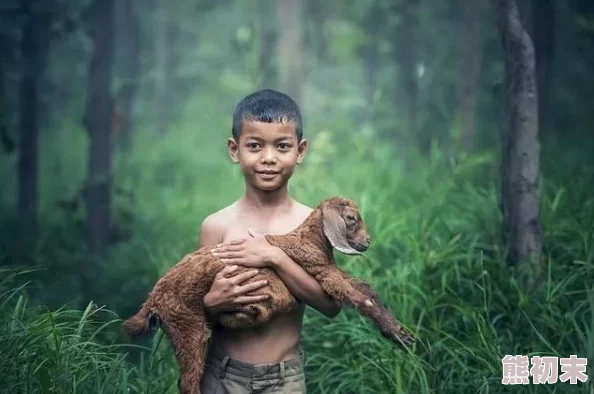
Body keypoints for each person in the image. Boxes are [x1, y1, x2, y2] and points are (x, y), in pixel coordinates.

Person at [197, 89, 342, 393]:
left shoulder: (312, 225)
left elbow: (331, 304)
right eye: (254, 146)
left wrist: (275, 257)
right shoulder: (216, 225)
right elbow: (194, 309)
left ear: (300, 151)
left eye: (282, 146)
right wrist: (212, 302)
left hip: (284, 380)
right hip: (220, 376)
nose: (268, 158)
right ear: (234, 150)